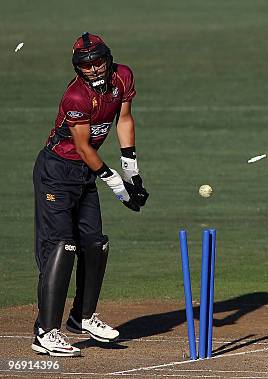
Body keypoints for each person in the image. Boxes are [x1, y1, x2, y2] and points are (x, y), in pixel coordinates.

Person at [31, 32, 149, 357]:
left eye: (98, 62)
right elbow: (83, 147)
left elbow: (124, 120)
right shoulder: (76, 97)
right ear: (78, 68)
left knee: (96, 243)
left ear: (108, 58)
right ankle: (45, 332)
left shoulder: (122, 77)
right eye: (87, 65)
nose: (94, 69)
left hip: (84, 173)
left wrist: (132, 173)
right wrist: (115, 184)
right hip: (57, 171)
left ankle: (82, 316)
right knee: (63, 246)